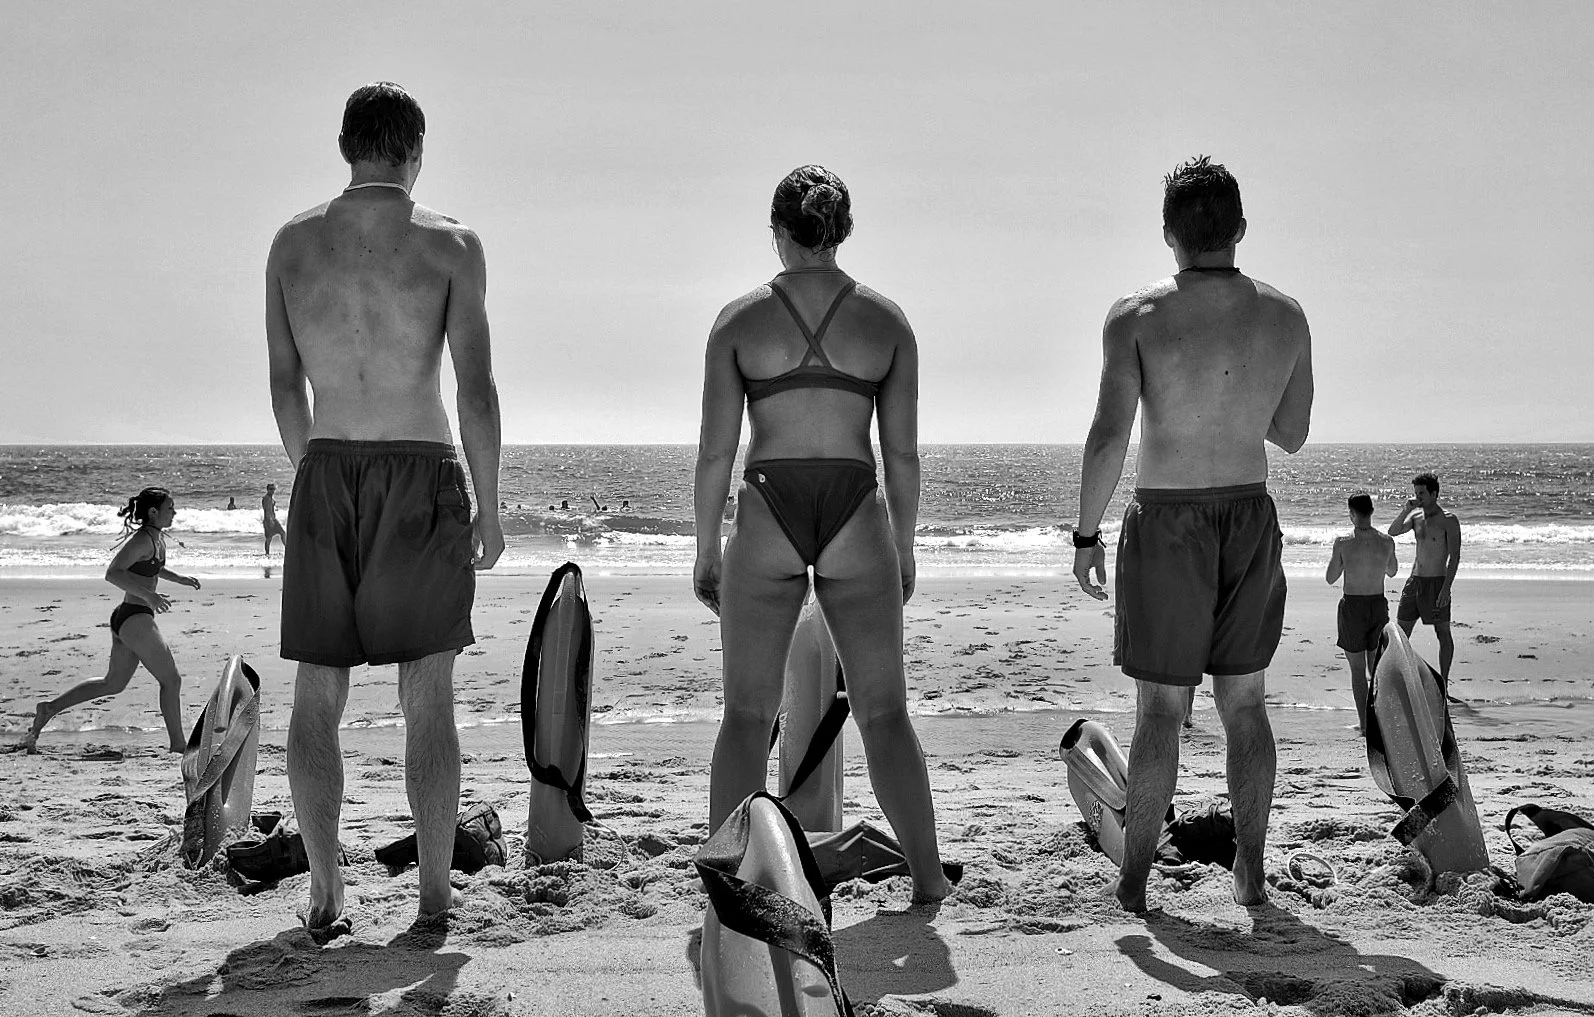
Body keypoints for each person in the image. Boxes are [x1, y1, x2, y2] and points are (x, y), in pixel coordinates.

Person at [265, 82, 502, 936]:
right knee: (428, 690)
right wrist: (491, 504)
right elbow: (474, 390)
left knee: (317, 691)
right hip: (420, 463)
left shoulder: (292, 245)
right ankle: (434, 895)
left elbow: (284, 385)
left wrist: (314, 472)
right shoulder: (450, 244)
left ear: (344, 144)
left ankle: (328, 896)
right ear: (417, 150)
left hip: (328, 464)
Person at [693, 165, 951, 904]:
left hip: (771, 502)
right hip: (853, 504)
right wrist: (902, 544)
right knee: (884, 712)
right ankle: (928, 879)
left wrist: (707, 544)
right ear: (840, 233)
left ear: (778, 233)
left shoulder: (738, 322)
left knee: (747, 713)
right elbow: (901, 455)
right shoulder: (886, 322)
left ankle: (732, 887)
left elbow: (716, 452)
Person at [1072, 156, 1313, 912]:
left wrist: (1085, 534)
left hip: (1169, 517)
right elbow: (1294, 432)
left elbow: (1111, 434)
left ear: (1168, 234)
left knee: (1159, 712)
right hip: (1246, 513)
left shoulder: (1136, 317)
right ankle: (1250, 873)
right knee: (1245, 705)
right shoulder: (1285, 315)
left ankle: (1137, 882)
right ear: (1240, 229)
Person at [14, 488, 199, 754]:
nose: (175, 512)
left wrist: (179, 579)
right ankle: (178, 745)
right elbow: (112, 573)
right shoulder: (142, 540)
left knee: (113, 683)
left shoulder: (156, 538)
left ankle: (49, 708)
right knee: (171, 680)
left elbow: (152, 567)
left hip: (129, 618)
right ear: (153, 512)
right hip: (135, 618)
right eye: (170, 508)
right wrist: (151, 596)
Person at [1326, 493, 1399, 730]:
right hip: (1378, 605)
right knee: (1376, 668)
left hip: (1353, 607)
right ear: (1372, 511)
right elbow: (1392, 571)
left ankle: (1365, 724)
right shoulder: (1387, 541)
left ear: (1351, 513)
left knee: (1357, 671)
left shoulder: (1343, 542)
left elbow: (1330, 578)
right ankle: (1382, 720)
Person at [1388, 472, 1462, 686]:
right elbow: (1393, 531)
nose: (1417, 497)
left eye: (1421, 493)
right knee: (1401, 634)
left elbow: (1455, 557)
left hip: (1437, 582)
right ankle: (1399, 681)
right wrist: (1406, 510)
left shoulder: (1449, 520)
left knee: (1443, 632)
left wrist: (1446, 588)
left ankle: (1444, 683)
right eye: (1415, 493)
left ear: (1434, 494)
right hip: (1414, 582)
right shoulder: (1416, 517)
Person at [261, 483, 287, 554]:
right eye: (271, 489)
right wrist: (270, 520)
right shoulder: (266, 498)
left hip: (273, 519)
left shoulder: (270, 498)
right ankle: (267, 553)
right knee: (269, 537)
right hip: (269, 519)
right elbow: (267, 510)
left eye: (273, 489)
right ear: (267, 490)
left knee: (282, 533)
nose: (272, 491)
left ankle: (287, 549)